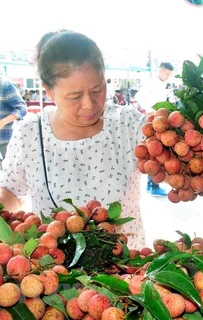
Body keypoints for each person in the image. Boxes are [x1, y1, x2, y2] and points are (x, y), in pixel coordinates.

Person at [0, 30, 147, 248]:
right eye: (75, 96)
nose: (89, 104)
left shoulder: (129, 124)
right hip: (56, 272)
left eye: (97, 89)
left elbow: (172, 166)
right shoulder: (30, 133)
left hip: (129, 268)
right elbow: (11, 190)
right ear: (48, 91)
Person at [135, 62, 174, 196]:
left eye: (170, 75)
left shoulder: (162, 85)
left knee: (157, 152)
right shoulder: (152, 83)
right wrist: (149, 111)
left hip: (159, 123)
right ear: (161, 70)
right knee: (153, 153)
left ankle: (152, 185)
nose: (168, 77)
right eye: (167, 73)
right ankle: (153, 185)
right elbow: (138, 96)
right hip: (152, 122)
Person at [0, 77, 27, 164]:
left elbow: (22, 109)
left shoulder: (6, 85)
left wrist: (3, 121)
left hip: (4, 142)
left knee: (8, 173)